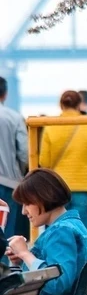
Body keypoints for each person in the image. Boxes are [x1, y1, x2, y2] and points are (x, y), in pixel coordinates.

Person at [5, 169, 87, 295]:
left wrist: (25, 254)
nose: (24, 211)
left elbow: (58, 283)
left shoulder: (60, 232)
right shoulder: (73, 225)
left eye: (27, 204)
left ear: (42, 198)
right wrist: (19, 262)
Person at [38, 91, 87, 238]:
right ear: (79, 104)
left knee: (58, 232)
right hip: (85, 187)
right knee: (83, 234)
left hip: (57, 188)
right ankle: (85, 261)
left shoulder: (51, 126)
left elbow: (44, 162)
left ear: (61, 105)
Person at [0, 76, 28, 237]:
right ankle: (3, 262)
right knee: (7, 230)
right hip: (9, 182)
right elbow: (24, 151)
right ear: (5, 94)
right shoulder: (14, 117)